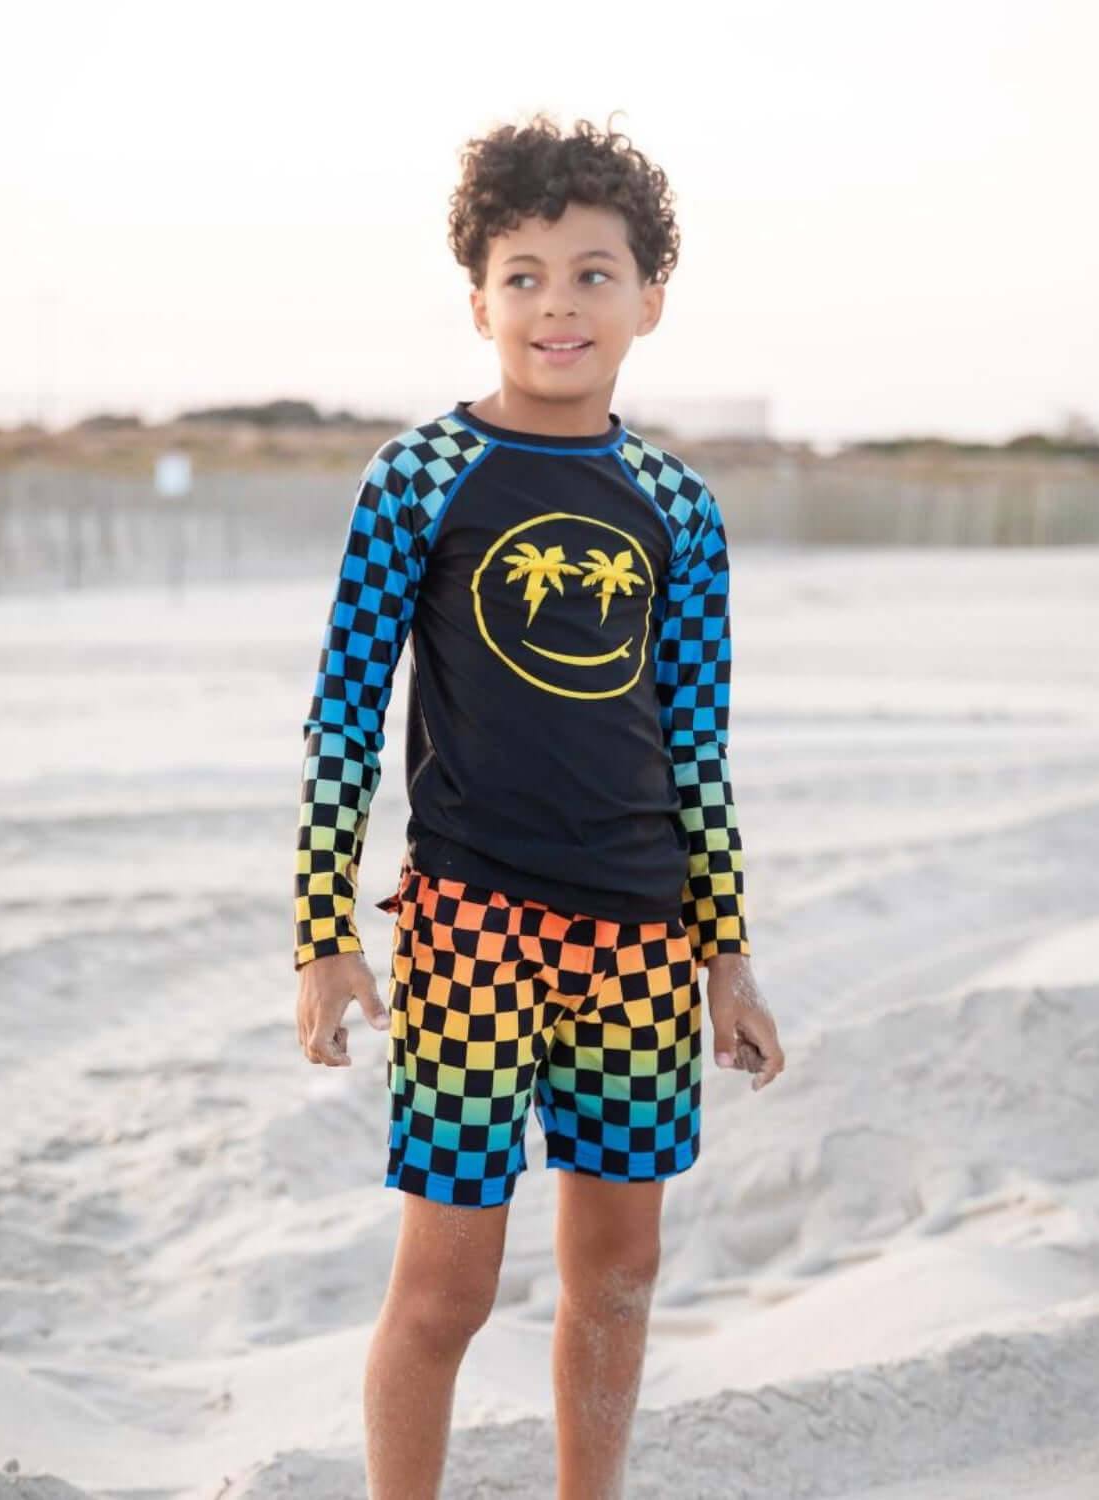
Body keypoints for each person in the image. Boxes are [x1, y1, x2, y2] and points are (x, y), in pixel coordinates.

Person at [292, 110, 785, 1500]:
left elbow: (697, 748)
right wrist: (324, 932)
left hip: (641, 942)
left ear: (649, 301)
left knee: (619, 1277)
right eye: (524, 275)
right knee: (446, 1291)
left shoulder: (677, 506)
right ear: (479, 302)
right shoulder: (419, 477)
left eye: (591, 274)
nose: (557, 304)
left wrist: (727, 955)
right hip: (471, 932)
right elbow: (344, 717)